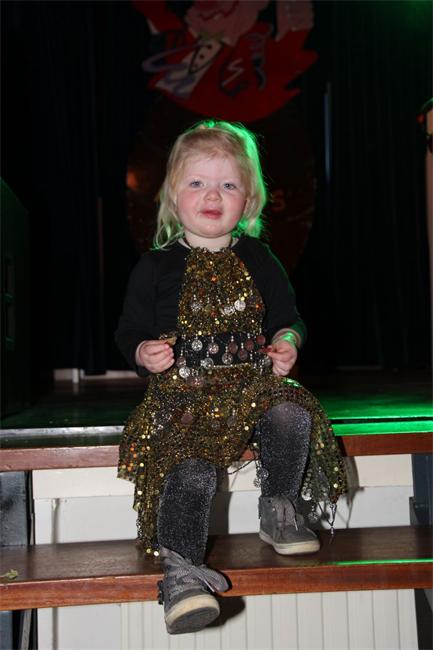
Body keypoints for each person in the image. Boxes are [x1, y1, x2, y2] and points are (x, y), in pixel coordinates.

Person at [115, 120, 346, 635]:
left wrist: (288, 342)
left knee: (291, 410)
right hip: (184, 395)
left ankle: (280, 506)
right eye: (197, 183)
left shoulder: (259, 258)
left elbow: (290, 319)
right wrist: (143, 352)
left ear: (250, 200)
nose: (212, 195)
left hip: (250, 385)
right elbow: (128, 331)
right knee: (192, 470)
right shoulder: (155, 267)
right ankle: (181, 574)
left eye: (228, 184)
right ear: (173, 196)